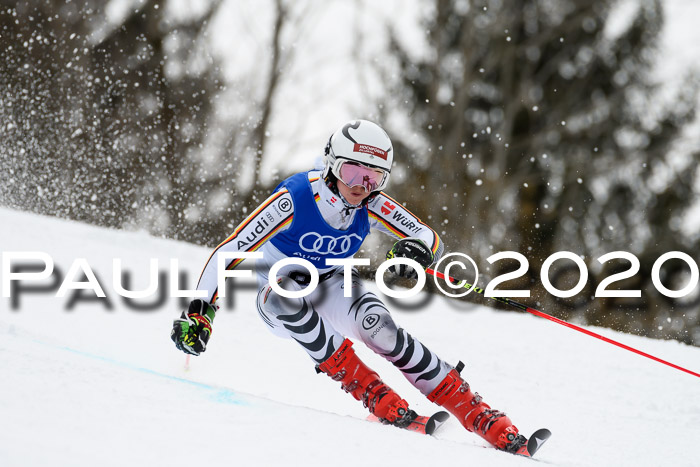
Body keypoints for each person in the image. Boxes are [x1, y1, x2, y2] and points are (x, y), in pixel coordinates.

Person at [171, 120, 526, 452]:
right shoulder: (295, 197)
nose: (361, 186)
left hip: (333, 284)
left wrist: (419, 250)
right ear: (331, 165)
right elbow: (233, 248)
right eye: (353, 172)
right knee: (286, 297)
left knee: (381, 329)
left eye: (375, 178)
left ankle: (474, 411)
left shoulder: (371, 204)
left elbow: (429, 237)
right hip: (277, 290)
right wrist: (201, 311)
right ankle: (373, 392)